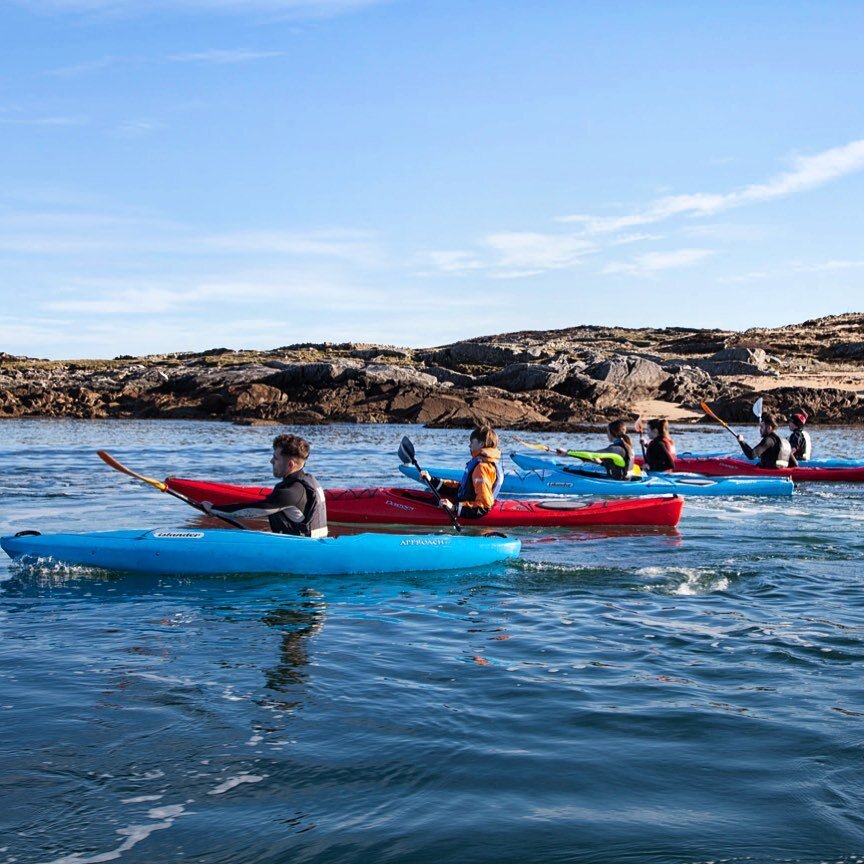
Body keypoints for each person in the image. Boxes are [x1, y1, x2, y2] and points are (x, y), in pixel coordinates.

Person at [202, 433, 328, 537]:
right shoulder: (311, 481)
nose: (271, 461)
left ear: (290, 465)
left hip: (301, 550)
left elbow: (252, 510)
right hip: (316, 543)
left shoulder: (290, 492)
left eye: (276, 458)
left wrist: (214, 509)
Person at [419, 425, 503, 518]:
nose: (469, 445)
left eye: (472, 442)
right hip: (466, 503)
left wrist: (453, 508)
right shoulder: (481, 463)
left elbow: (484, 506)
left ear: (481, 444)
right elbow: (462, 490)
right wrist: (432, 480)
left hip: (472, 510)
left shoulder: (482, 468)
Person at [557, 418, 636, 480]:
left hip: (617, 484)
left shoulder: (617, 449)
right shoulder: (626, 446)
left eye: (607, 431)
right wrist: (600, 463)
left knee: (574, 473)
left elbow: (592, 454)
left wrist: (567, 452)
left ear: (612, 433)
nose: (607, 434)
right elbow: (619, 466)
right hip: (623, 480)